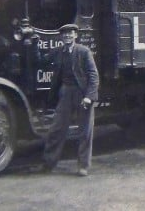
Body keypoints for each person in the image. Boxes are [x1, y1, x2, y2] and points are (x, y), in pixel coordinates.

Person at [36, 23, 99, 176]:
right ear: (61, 37)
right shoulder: (58, 52)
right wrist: (32, 44)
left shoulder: (84, 52)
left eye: (70, 34)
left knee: (85, 131)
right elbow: (41, 61)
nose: (67, 36)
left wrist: (89, 97)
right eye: (64, 34)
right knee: (56, 129)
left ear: (75, 36)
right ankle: (48, 164)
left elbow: (93, 76)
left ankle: (83, 166)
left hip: (82, 93)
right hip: (65, 92)